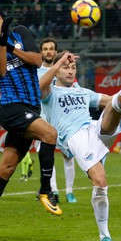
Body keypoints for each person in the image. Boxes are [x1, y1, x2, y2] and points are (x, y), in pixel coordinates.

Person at [0, 9, 61, 241]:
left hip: (31, 108)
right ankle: (45, 190)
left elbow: (37, 60)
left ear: (0, 20)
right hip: (11, 108)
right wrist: (1, 45)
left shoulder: (20, 33)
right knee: (50, 134)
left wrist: (10, 43)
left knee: (6, 169)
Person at [39, 50, 121, 241]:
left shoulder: (84, 92)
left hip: (93, 128)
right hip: (75, 137)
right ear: (56, 69)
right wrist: (58, 62)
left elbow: (117, 100)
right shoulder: (51, 93)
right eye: (65, 67)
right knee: (100, 181)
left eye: (73, 67)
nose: (71, 71)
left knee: (115, 106)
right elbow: (40, 87)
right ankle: (104, 236)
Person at [37, 37, 77, 203]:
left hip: (63, 119)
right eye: (45, 48)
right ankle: (53, 190)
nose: (48, 51)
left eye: (51, 48)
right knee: (47, 155)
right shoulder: (35, 71)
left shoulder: (64, 69)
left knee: (68, 156)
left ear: (55, 51)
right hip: (42, 119)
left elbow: (74, 90)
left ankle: (69, 191)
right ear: (41, 52)